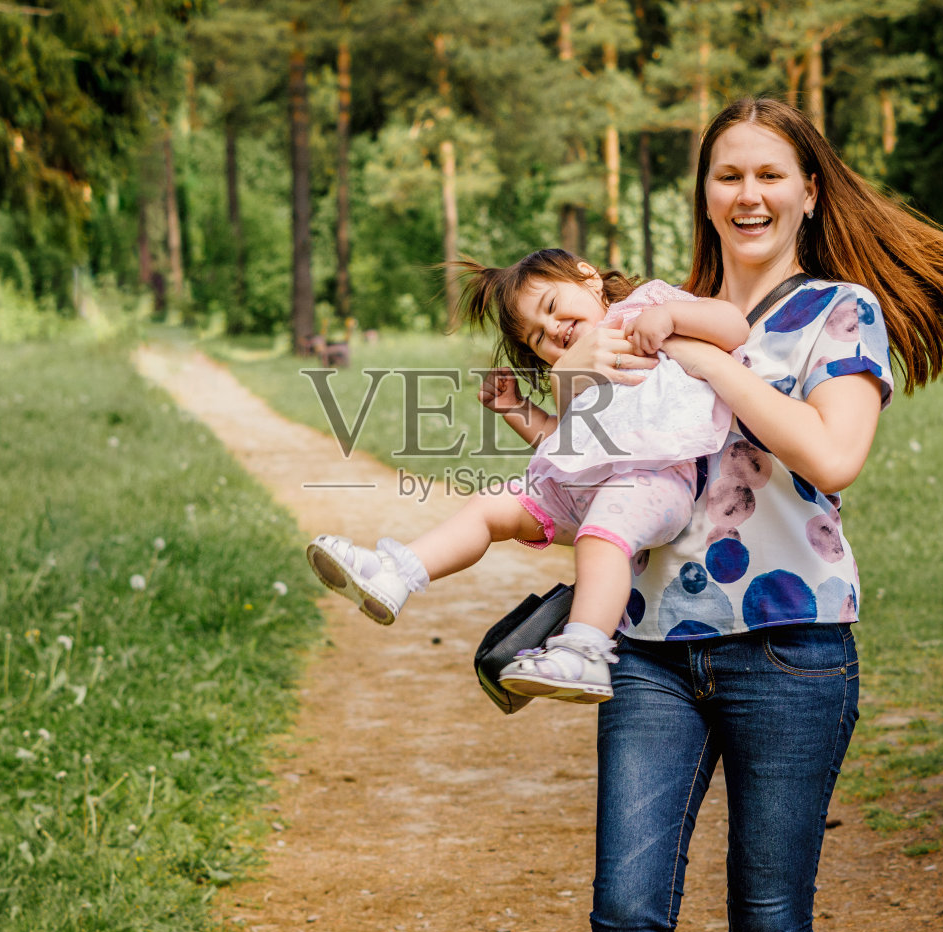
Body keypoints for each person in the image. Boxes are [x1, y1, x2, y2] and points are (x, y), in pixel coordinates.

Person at [565, 97, 943, 932]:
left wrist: (709, 360)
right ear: (703, 194)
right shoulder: (662, 313)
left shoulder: (841, 312)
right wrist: (571, 382)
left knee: (767, 929)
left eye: (770, 174)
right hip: (650, 646)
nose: (748, 194)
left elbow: (834, 454)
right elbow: (598, 478)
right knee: (623, 920)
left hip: (789, 648)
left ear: (810, 190)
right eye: (728, 175)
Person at [305, 248, 750, 704]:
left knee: (601, 535)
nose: (553, 329)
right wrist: (517, 410)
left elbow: (735, 326)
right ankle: (397, 573)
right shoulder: (577, 372)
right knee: (490, 507)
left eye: (552, 308)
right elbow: (571, 445)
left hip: (656, 480)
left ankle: (585, 649)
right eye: (539, 336)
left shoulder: (647, 304)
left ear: (589, 277)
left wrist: (670, 314)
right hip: (582, 487)